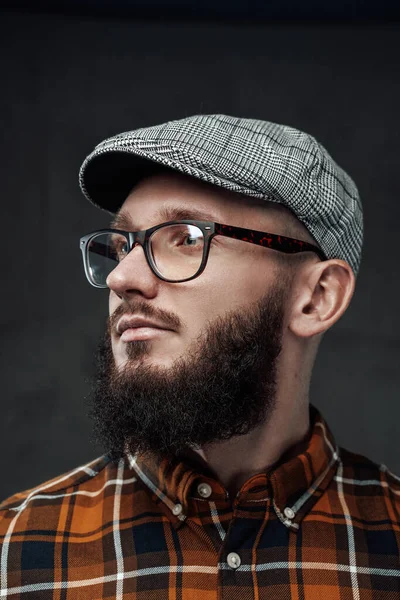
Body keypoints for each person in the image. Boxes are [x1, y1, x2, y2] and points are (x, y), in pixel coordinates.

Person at [0, 114, 399, 599]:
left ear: (317, 297)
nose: (121, 278)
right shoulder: (14, 549)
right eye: (123, 246)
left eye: (186, 238)